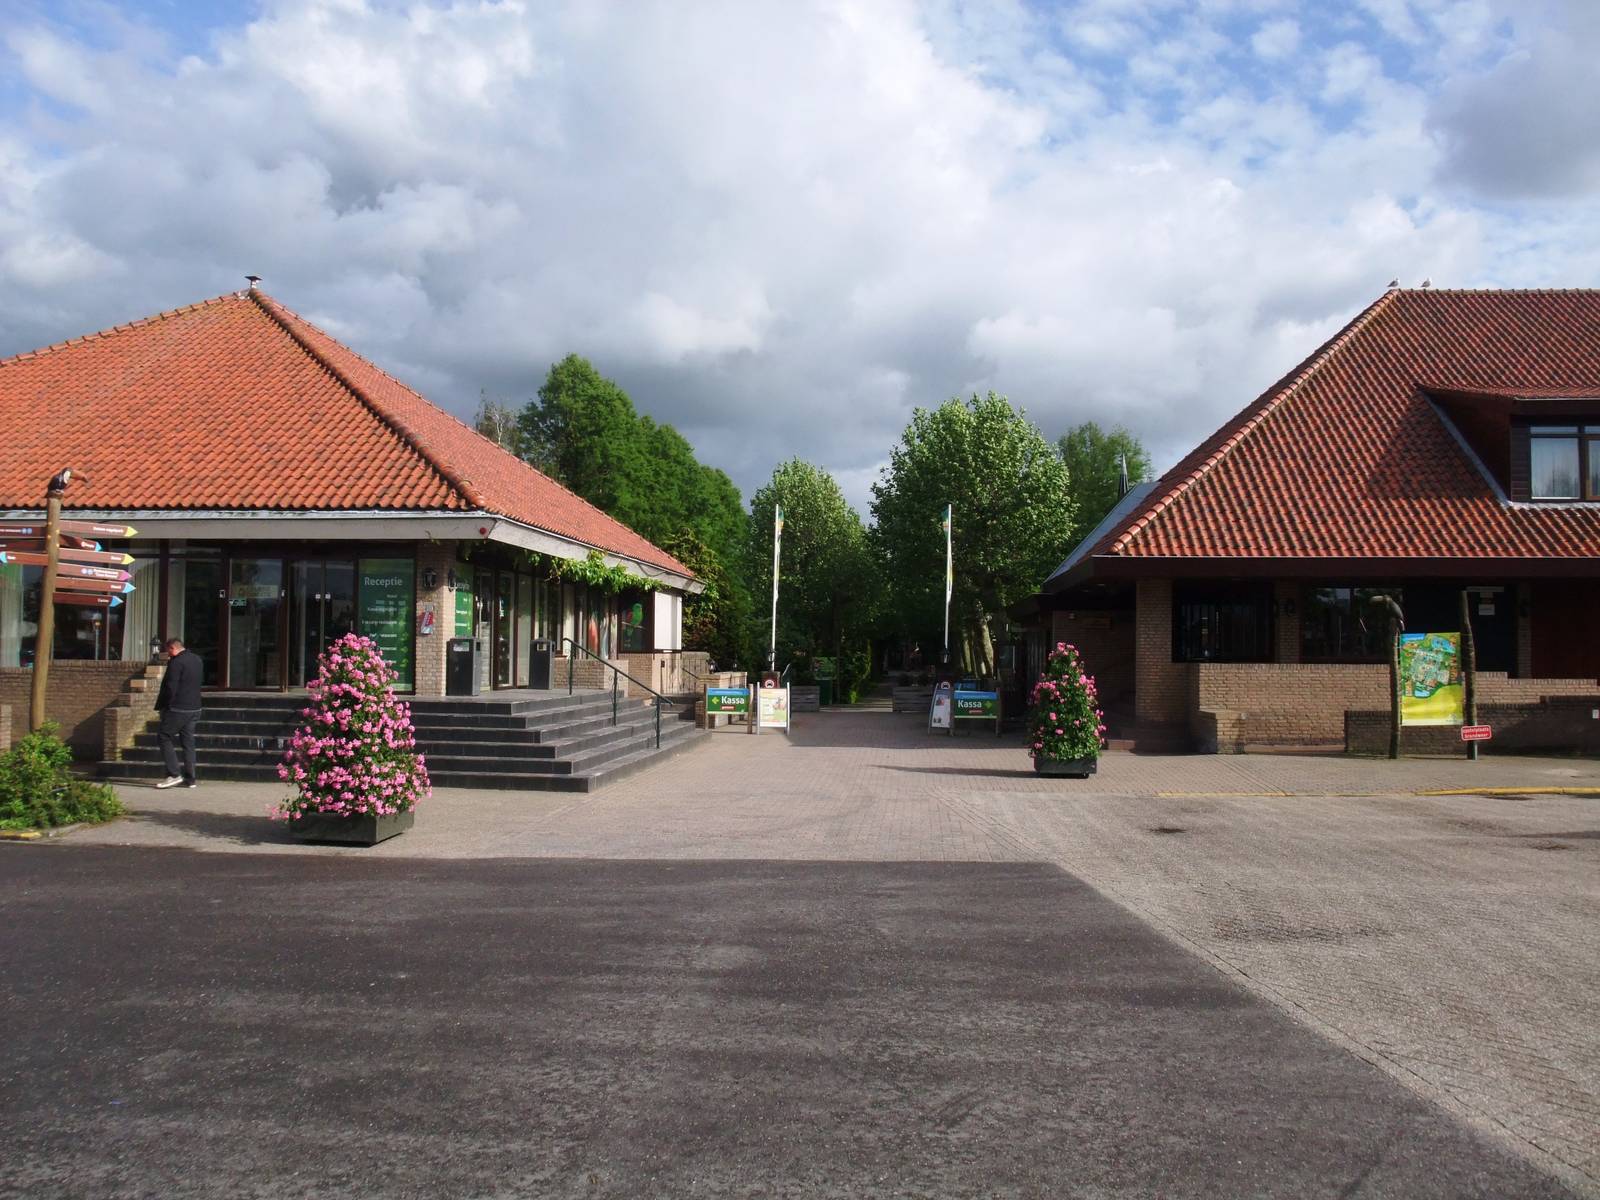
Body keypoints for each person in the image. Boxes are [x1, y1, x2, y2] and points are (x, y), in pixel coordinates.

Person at [155, 636, 203, 789]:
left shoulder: (176, 662)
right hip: (195, 707)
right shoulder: (197, 660)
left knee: (164, 736)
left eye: (168, 651)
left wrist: (164, 705)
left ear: (172, 648)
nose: (168, 654)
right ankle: (191, 778)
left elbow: (170, 687)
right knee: (188, 742)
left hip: (178, 708)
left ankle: (174, 774)